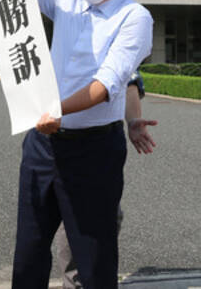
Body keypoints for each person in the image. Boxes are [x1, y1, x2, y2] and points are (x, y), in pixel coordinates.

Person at [0, 0, 154, 288]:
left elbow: (107, 85)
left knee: (93, 252)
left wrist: (57, 110)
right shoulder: (65, 2)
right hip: (43, 146)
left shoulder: (134, 18)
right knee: (30, 248)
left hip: (94, 150)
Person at [56, 71, 158, 288]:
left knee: (107, 216)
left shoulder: (115, 39)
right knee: (72, 217)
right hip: (58, 137)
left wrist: (132, 120)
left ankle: (90, 278)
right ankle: (75, 281)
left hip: (102, 140)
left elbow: (129, 80)